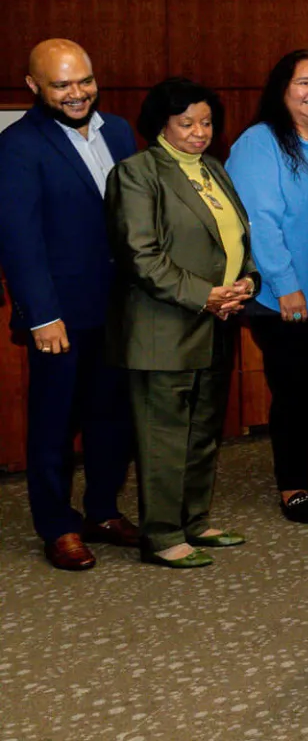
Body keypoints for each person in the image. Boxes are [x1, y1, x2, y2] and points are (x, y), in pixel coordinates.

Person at [106, 79, 258, 567]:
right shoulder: (137, 172)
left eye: (207, 122)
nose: (199, 132)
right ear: (160, 126)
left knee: (202, 430)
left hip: (218, 318)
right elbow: (140, 255)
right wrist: (206, 295)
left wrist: (247, 281)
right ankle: (162, 534)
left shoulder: (213, 168)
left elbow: (234, 237)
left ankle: (194, 519)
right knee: (164, 435)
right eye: (186, 123)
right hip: (163, 325)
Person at [0, 39, 139, 571]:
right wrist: (40, 315)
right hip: (58, 314)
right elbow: (19, 239)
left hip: (120, 308)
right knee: (55, 426)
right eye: (62, 85)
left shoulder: (120, 130)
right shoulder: (19, 146)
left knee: (113, 418)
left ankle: (102, 511)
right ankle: (57, 525)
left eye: (84, 80)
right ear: (34, 87)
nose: (77, 93)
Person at [227, 50, 308, 524]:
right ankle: (293, 483)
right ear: (281, 90)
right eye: (303, 82)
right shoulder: (260, 143)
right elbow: (259, 221)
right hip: (286, 293)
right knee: (294, 391)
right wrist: (285, 285)